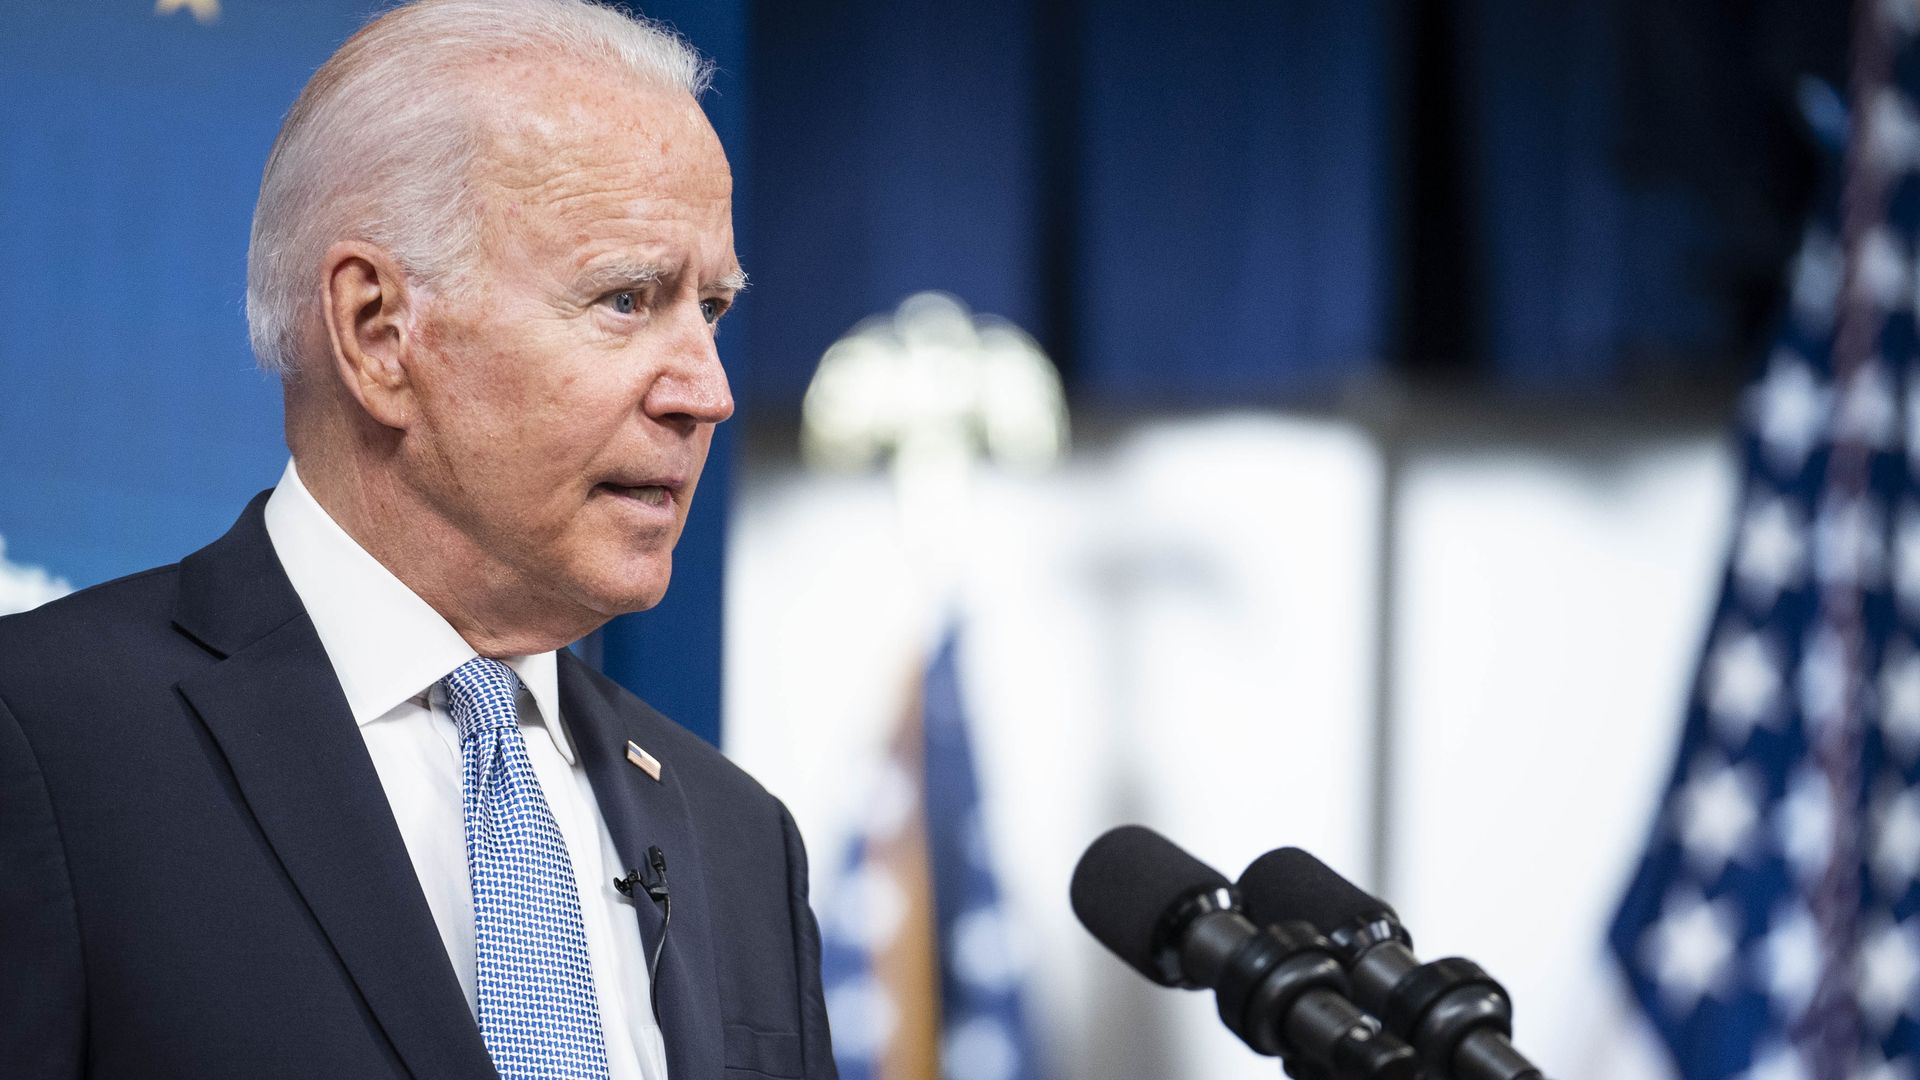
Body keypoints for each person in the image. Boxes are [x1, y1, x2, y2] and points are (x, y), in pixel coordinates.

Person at [0, 1, 836, 1077]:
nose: (707, 393)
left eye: (711, 308)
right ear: (377, 331)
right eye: (628, 299)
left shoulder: (740, 837)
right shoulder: (44, 744)